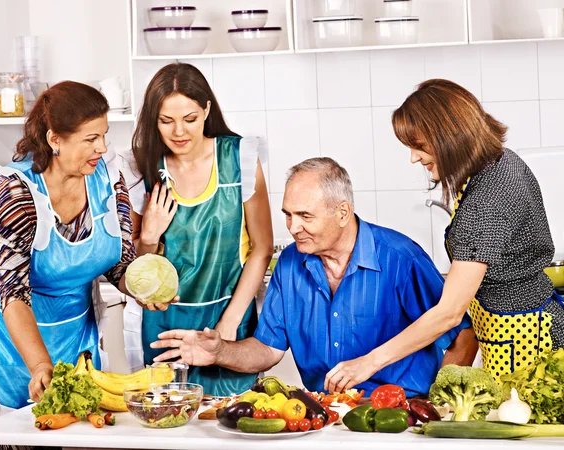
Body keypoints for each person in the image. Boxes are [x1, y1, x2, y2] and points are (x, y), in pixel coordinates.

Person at [150, 157, 477, 396]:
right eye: (288, 215)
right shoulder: (290, 263)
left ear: (342, 213)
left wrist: (441, 404)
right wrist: (220, 352)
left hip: (401, 413)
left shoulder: (400, 258)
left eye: (305, 216)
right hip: (327, 414)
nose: (292, 228)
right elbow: (267, 350)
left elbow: (463, 333)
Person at [0, 81, 137, 423]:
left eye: (104, 135)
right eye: (90, 139)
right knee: (18, 434)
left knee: (73, 429)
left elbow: (120, 261)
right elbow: (13, 293)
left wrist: (141, 289)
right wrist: (40, 364)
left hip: (75, 333)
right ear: (54, 139)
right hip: (9, 338)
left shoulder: (107, 178)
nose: (102, 147)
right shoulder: (14, 192)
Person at [389, 79, 563, 381]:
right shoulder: (497, 161)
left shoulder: (487, 200)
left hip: (530, 348)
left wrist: (366, 363)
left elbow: (449, 313)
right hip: (515, 334)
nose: (414, 157)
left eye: (419, 146)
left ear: (449, 136)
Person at [121, 63, 273, 396]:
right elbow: (133, 270)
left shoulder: (241, 160)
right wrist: (148, 236)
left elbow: (262, 248)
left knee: (233, 423)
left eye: (189, 119)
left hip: (227, 318)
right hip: (161, 330)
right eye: (166, 121)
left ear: (206, 110)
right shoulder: (138, 169)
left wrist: (228, 327)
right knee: (167, 425)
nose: (179, 132)